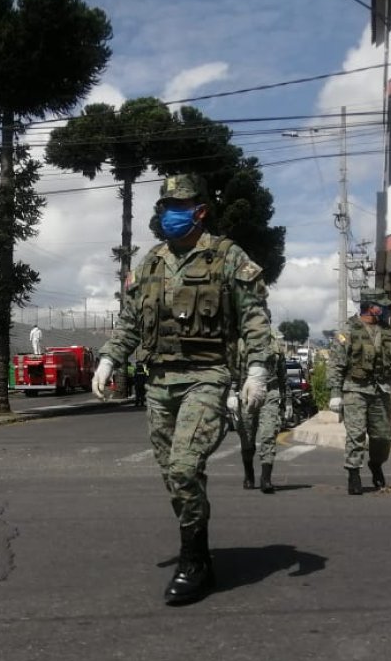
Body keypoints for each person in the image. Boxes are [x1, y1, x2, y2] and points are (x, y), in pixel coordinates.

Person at [92, 173, 272, 606]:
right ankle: (200, 549)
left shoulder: (227, 257)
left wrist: (258, 368)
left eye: (180, 205)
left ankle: (193, 563)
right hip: (158, 383)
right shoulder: (151, 262)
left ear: (200, 210)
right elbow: (132, 322)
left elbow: (254, 315)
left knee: (183, 467)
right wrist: (109, 358)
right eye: (166, 205)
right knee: (176, 476)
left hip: (206, 378)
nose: (170, 213)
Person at [327, 287, 391, 495]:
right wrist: (335, 394)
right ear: (371, 307)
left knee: (382, 436)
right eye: (381, 306)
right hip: (355, 389)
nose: (385, 309)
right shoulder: (346, 332)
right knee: (356, 434)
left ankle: (376, 464)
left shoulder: (388, 332)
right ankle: (354, 474)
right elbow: (336, 365)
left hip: (381, 390)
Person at [238, 329, 286, 494]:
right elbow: (234, 368)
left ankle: (266, 478)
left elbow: (282, 373)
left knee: (268, 434)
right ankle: (249, 473)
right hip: (247, 392)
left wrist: (285, 402)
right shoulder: (243, 341)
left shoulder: (275, 342)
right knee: (247, 437)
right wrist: (231, 392)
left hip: (270, 392)